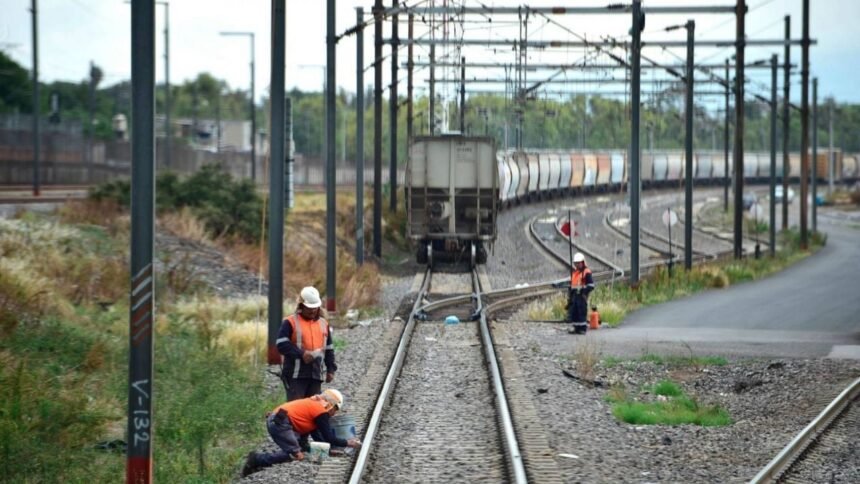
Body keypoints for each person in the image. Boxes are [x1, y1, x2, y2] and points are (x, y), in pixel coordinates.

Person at [242, 389, 362, 476]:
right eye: (335, 409)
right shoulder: (321, 411)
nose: (334, 414)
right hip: (281, 424)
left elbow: (317, 436)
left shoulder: (314, 405)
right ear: (332, 405)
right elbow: (329, 437)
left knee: (302, 446)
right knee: (295, 455)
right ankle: (257, 459)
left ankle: (254, 466)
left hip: (278, 421)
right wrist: (348, 443)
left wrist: (328, 451)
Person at [277, 286, 337, 402]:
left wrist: (331, 369)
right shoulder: (290, 322)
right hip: (295, 376)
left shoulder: (323, 324)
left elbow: (329, 348)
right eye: (310, 308)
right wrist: (301, 354)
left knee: (313, 410)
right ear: (301, 305)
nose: (313, 310)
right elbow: (281, 344)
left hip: (315, 375)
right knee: (296, 409)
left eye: (315, 307)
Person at [567, 252, 595, 334]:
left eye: (578, 263)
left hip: (582, 295)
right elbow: (572, 284)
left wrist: (584, 292)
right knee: (574, 311)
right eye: (576, 263)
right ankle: (576, 327)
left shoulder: (586, 272)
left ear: (582, 262)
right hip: (575, 295)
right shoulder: (575, 273)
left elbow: (591, 285)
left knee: (581, 311)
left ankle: (582, 328)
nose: (577, 265)